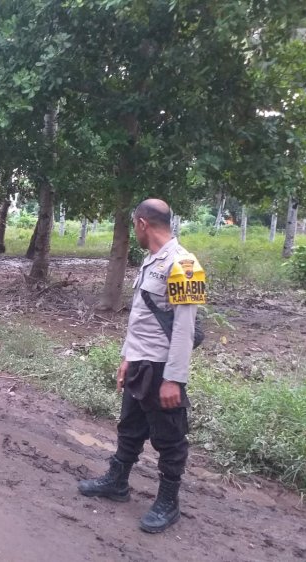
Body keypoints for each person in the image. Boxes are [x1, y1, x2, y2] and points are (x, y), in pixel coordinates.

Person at [77, 198, 205, 533]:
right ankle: (117, 482)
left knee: (170, 439)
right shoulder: (152, 261)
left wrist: (174, 380)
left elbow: (184, 328)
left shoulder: (184, 264)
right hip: (140, 363)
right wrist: (127, 358)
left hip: (163, 369)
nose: (134, 231)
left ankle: (168, 503)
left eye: (134, 226)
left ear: (142, 224)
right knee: (130, 427)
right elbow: (143, 320)